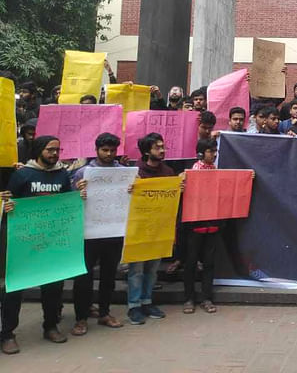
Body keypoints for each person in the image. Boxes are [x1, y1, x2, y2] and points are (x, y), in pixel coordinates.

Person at [1, 136, 86, 353]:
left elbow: (67, 202)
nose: (55, 153)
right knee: (15, 287)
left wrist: (79, 196)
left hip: (52, 242)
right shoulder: (22, 175)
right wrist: (7, 206)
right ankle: (8, 333)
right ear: (39, 150)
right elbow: (9, 200)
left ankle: (50, 326)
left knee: (53, 286)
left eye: (58, 149)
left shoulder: (62, 175)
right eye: (50, 150)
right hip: (24, 243)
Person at [69, 133, 128, 335]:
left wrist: (133, 186)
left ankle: (104, 313)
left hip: (113, 232)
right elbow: (69, 201)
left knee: (109, 276)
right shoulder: (83, 173)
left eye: (112, 150)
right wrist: (77, 192)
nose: (109, 154)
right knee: (83, 278)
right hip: (88, 233)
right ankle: (81, 318)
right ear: (96, 150)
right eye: (105, 150)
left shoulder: (123, 172)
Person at [127, 133, 182, 325]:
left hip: (159, 228)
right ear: (146, 151)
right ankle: (134, 306)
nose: (162, 150)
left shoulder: (168, 172)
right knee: (137, 270)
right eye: (158, 147)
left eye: (163, 147)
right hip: (138, 229)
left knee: (152, 269)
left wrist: (178, 187)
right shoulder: (135, 172)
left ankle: (147, 301)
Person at [183, 138, 221, 315]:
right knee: (190, 262)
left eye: (215, 151)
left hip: (211, 222)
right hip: (195, 225)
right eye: (210, 151)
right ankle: (189, 298)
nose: (213, 154)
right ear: (200, 153)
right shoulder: (191, 172)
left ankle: (207, 297)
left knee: (210, 262)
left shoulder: (216, 171)